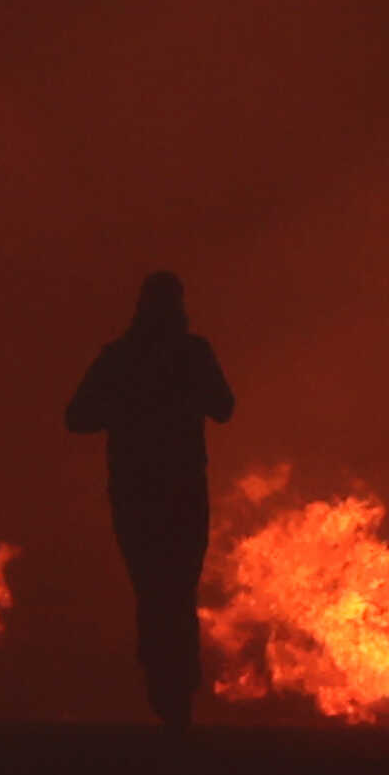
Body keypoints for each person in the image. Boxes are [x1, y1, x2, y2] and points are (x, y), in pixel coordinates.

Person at [66, 272, 234, 728]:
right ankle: (175, 698)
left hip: (138, 493)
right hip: (178, 492)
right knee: (176, 590)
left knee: (156, 592)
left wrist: (126, 403)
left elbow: (79, 416)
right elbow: (224, 407)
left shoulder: (121, 358)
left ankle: (167, 696)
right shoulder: (190, 354)